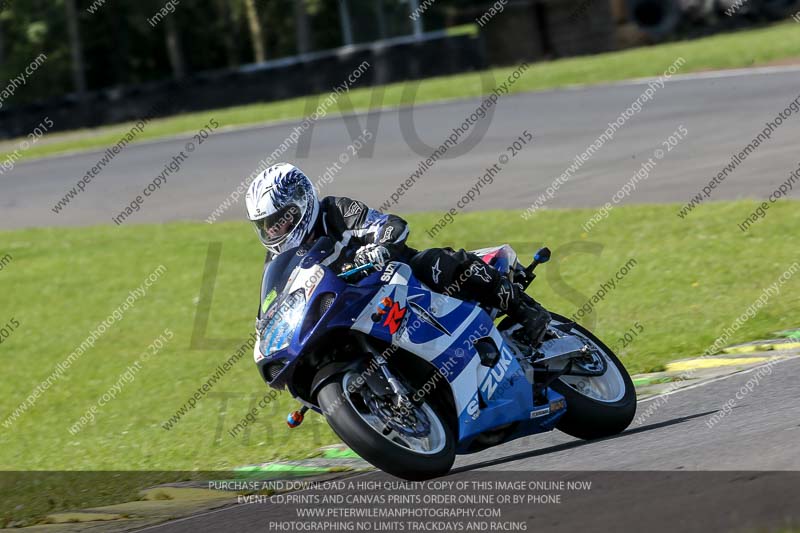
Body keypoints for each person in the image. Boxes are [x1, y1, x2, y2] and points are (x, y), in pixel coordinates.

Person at [246, 163, 550, 344]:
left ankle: (527, 310)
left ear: (302, 201)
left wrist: (380, 247)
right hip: (354, 311)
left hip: (398, 280)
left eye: (280, 220)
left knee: (435, 262)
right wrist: (264, 329)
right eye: (267, 226)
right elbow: (270, 308)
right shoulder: (279, 261)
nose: (275, 230)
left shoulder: (335, 211)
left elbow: (390, 224)